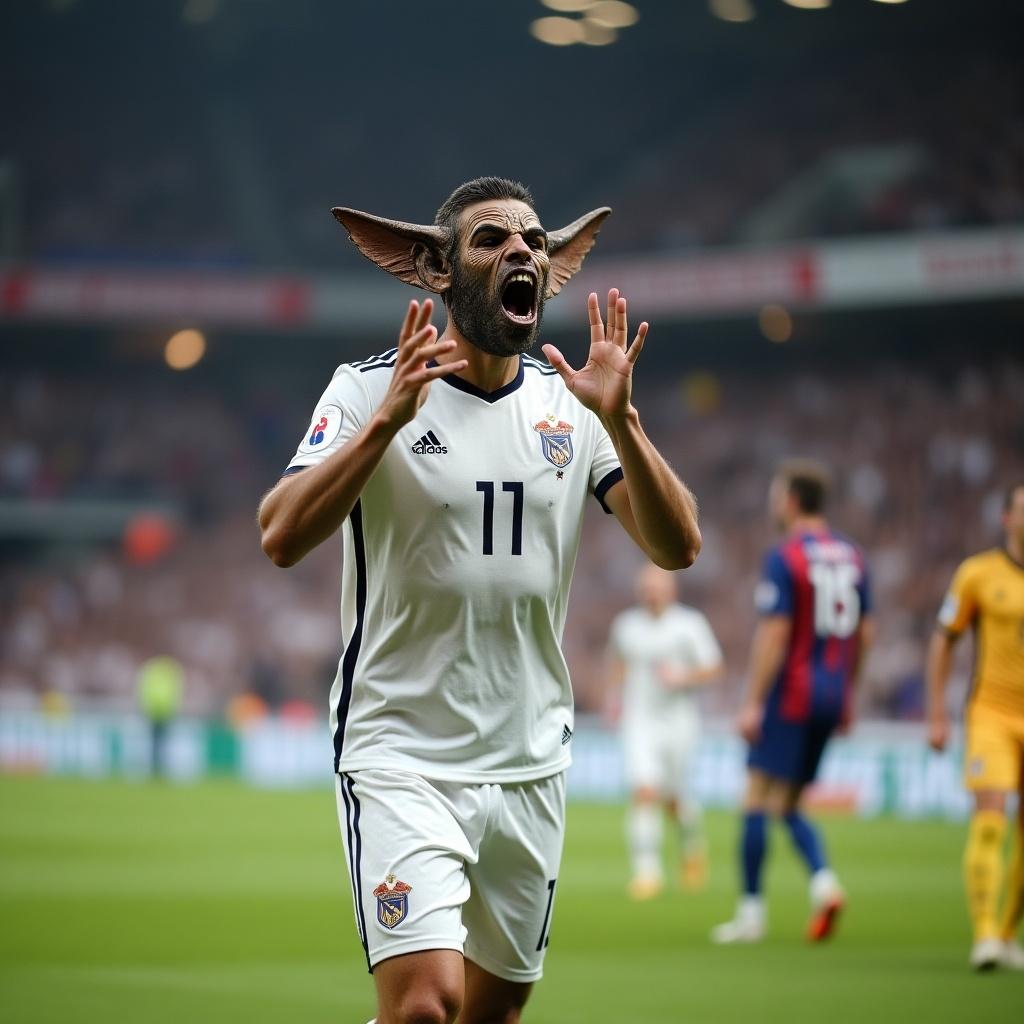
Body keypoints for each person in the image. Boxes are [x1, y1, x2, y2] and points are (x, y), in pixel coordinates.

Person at [258, 177, 702, 1024]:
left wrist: (628, 421)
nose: (522, 252)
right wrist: (385, 425)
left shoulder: (568, 407)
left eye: (533, 241)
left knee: (491, 1014)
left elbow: (677, 547)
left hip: (530, 759)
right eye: (493, 240)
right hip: (402, 752)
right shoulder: (366, 389)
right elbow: (279, 535)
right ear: (438, 271)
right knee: (426, 1005)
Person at [711, 459, 873, 945]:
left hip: (792, 693)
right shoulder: (854, 556)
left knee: (756, 798)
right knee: (789, 804)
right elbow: (866, 632)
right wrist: (848, 693)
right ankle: (824, 884)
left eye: (777, 494)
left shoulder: (786, 556)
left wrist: (753, 702)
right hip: (830, 693)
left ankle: (751, 913)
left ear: (793, 500)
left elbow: (775, 633)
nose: (773, 503)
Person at [926, 482, 1024, 972]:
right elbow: (944, 640)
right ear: (1007, 518)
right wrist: (938, 712)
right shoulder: (978, 574)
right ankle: (984, 933)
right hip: (992, 712)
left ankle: (1006, 936)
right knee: (991, 819)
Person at [607, 562, 723, 899]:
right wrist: (614, 699)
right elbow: (617, 663)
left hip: (679, 723)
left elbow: (714, 668)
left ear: (671, 590)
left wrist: (683, 676)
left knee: (673, 798)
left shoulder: (689, 625)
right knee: (644, 791)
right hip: (639, 721)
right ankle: (648, 872)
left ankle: (692, 844)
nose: (652, 594)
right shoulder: (626, 626)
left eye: (657, 588)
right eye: (646, 589)